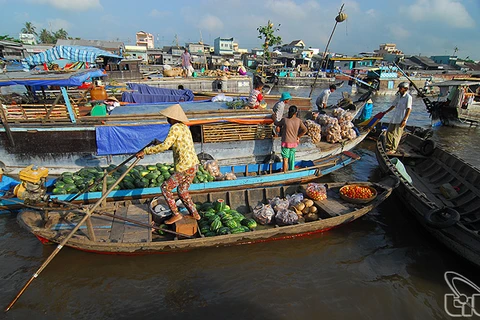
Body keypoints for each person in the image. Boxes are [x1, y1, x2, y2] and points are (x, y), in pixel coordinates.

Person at [136, 104, 200, 224]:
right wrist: (158, 143)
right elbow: (174, 144)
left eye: (168, 117)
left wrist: (145, 151)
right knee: (182, 191)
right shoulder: (184, 127)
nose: (167, 119)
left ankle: (176, 214)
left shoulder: (175, 128)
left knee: (165, 187)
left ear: (173, 118)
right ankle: (195, 214)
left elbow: (165, 146)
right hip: (193, 165)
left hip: (184, 166)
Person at [272, 105, 307, 173]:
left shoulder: (285, 120)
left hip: (286, 143)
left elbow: (277, 123)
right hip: (294, 143)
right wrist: (298, 136)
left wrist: (273, 117)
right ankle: (291, 171)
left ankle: (285, 173)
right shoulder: (298, 121)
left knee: (285, 159)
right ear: (295, 113)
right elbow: (305, 130)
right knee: (292, 158)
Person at [383, 82, 413, 154]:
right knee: (389, 132)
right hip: (395, 117)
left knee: (396, 134)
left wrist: (404, 120)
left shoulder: (408, 97)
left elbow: (409, 109)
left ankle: (393, 149)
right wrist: (386, 112)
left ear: (405, 89)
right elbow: (393, 105)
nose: (399, 89)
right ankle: (388, 146)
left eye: (401, 88)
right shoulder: (399, 96)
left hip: (401, 119)